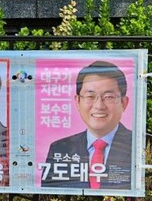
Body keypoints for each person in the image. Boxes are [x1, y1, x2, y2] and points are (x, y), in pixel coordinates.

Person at [42, 60, 133, 189]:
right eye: (90, 96)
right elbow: (47, 200)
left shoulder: (137, 145)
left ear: (124, 103)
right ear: (78, 101)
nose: (99, 105)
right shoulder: (60, 148)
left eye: (109, 97)